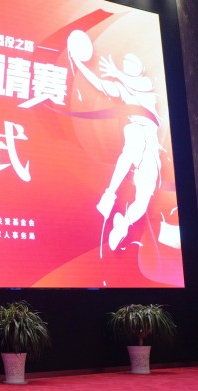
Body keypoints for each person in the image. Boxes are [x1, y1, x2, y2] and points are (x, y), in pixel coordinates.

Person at [67, 29, 164, 252]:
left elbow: (140, 86)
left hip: (152, 145)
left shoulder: (146, 84)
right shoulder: (122, 87)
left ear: (139, 68)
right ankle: (109, 194)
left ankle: (123, 224)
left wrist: (117, 73)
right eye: (126, 63)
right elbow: (100, 84)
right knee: (132, 147)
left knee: (143, 202)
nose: (128, 65)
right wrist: (79, 64)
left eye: (132, 62)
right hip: (137, 129)